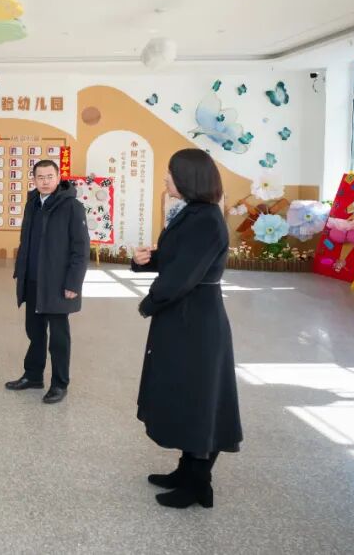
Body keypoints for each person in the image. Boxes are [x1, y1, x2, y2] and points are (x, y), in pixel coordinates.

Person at [131, 148, 242, 509]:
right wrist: (146, 261)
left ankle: (198, 484)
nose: (166, 178)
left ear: (188, 178)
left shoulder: (206, 219)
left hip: (196, 320)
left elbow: (183, 275)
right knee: (184, 393)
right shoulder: (192, 213)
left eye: (171, 173)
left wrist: (150, 302)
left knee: (198, 398)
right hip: (184, 315)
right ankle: (185, 469)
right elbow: (178, 259)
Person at [8, 160, 89, 404]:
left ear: (58, 177)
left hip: (57, 283)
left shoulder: (72, 206)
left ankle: (59, 384)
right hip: (33, 279)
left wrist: (73, 283)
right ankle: (33, 376)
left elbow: (81, 249)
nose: (45, 181)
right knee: (34, 332)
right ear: (34, 179)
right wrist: (21, 272)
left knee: (58, 337)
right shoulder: (32, 202)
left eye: (49, 176)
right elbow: (26, 240)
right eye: (40, 177)